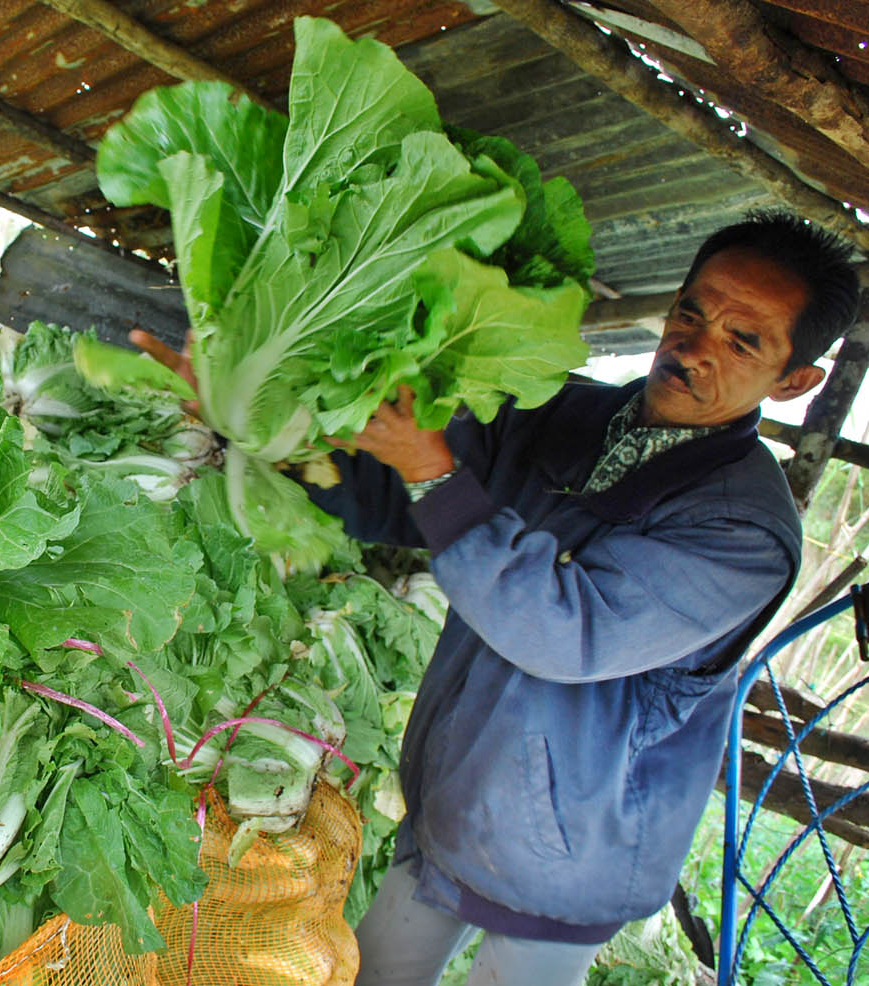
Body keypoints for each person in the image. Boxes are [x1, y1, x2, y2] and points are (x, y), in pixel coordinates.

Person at [133, 210, 862, 985]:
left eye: (742, 340)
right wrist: (255, 424)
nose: (695, 345)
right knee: (370, 976)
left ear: (795, 381)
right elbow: (396, 486)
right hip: (453, 799)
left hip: (569, 851)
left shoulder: (742, 527)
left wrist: (435, 474)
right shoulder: (572, 415)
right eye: (691, 312)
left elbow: (565, 632)